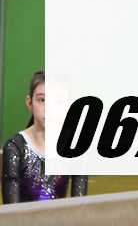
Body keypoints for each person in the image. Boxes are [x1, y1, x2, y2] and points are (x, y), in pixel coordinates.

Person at [1, 70, 88, 204]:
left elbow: (80, 206)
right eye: (42, 100)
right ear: (29, 102)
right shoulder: (15, 148)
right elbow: (12, 209)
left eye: (58, 101)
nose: (49, 108)